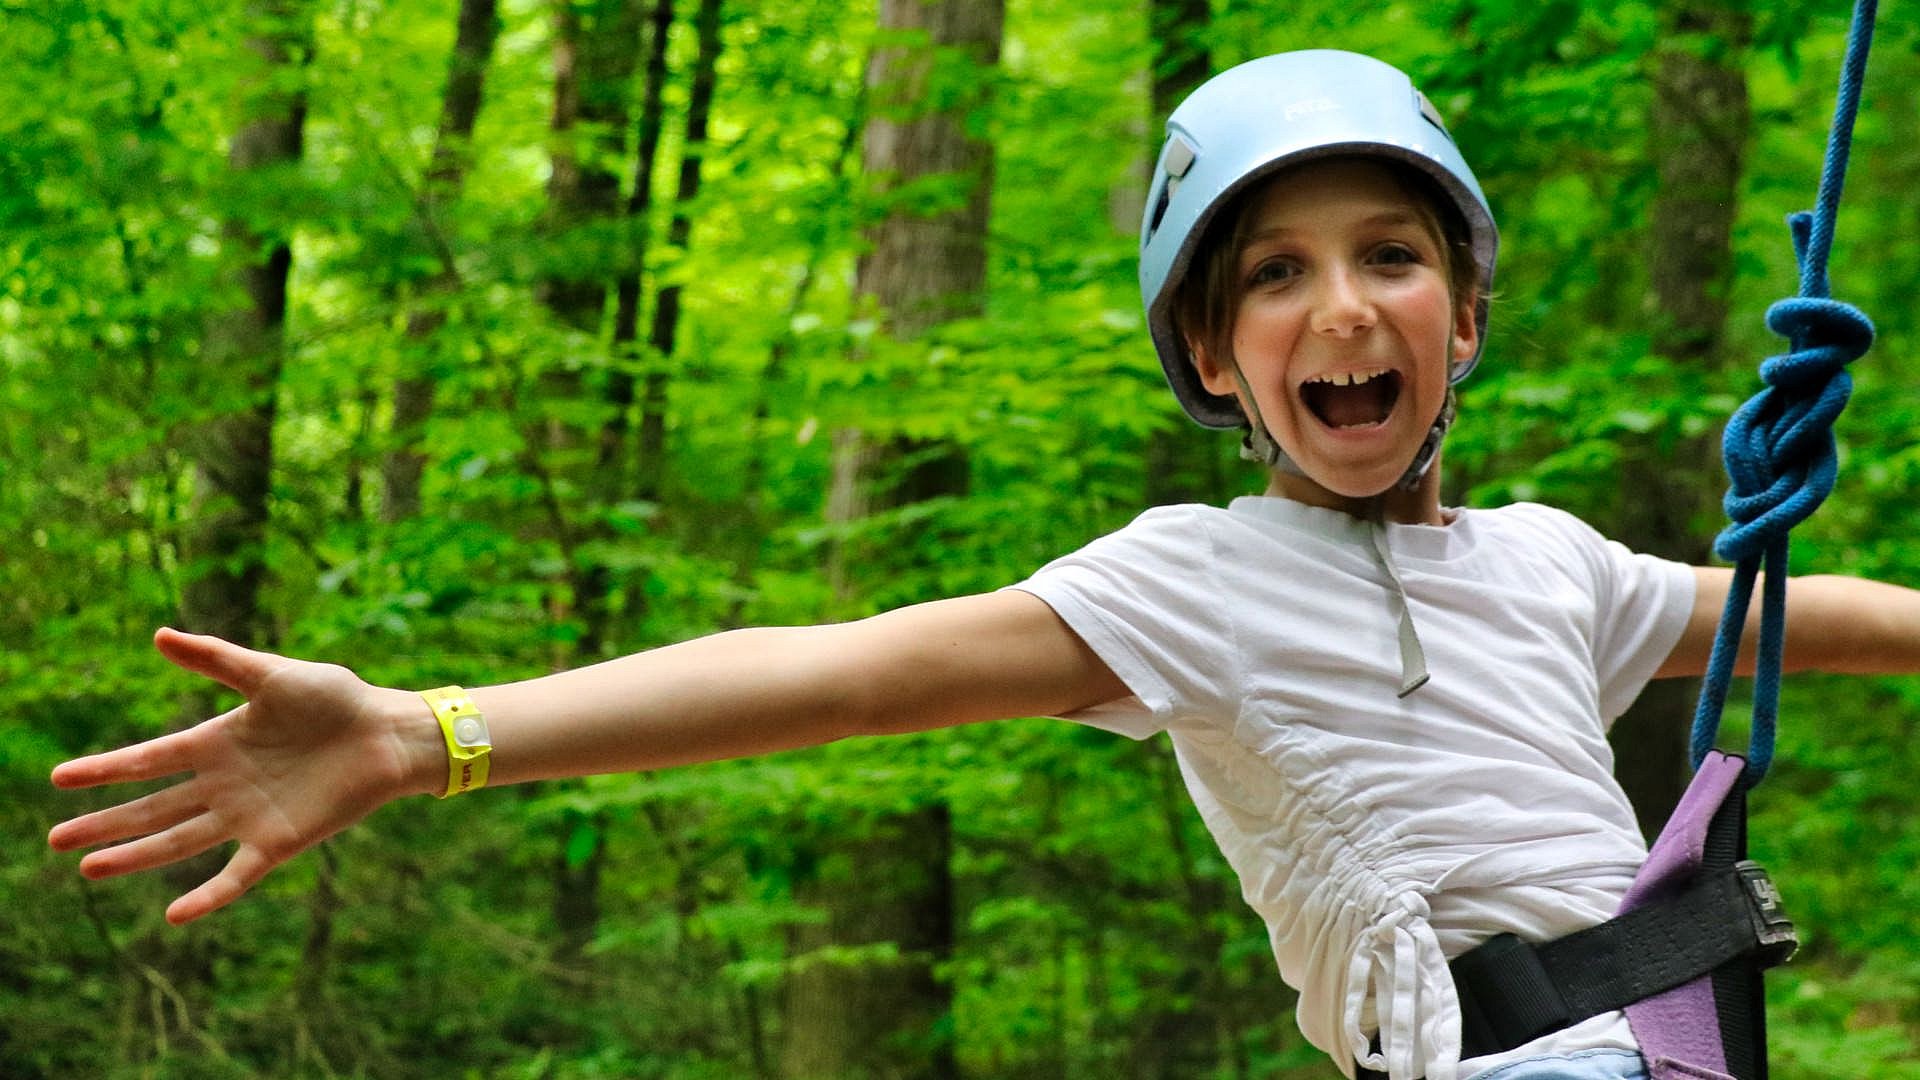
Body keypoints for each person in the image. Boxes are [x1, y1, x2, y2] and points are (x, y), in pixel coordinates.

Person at [44, 50, 1920, 1080]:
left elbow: (1815, 619)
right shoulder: (1198, 580)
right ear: (1212, 358)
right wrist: (428, 731)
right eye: (1273, 275)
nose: (1340, 306)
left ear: (1466, 315)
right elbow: (846, 666)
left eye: (1390, 256)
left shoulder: (1555, 567)